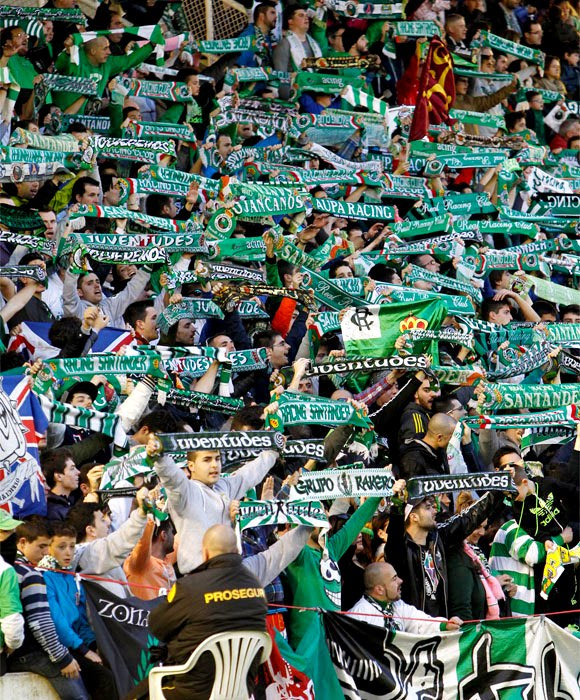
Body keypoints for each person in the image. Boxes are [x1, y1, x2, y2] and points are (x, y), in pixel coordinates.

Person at [148, 524, 268, 700]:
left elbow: (156, 626)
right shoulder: (256, 586)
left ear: (205, 553)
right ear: (236, 550)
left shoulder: (190, 587)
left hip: (191, 690)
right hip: (241, 690)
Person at [146, 429, 280, 573]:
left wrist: (273, 449)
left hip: (229, 571)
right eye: (207, 460)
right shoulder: (185, 492)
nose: (214, 465)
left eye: (217, 458)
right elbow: (172, 478)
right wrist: (160, 458)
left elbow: (249, 474)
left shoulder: (224, 485)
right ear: (191, 466)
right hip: (200, 575)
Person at [384, 480, 505, 618]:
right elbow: (394, 535)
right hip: (413, 627)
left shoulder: (438, 538)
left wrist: (500, 487)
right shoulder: (400, 549)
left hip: (442, 626)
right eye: (428, 507)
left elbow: (469, 518)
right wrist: (397, 506)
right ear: (413, 517)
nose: (434, 510)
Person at [9, 519, 87, 698]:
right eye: (41, 546)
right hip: (27, 653)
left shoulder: (8, 568)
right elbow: (40, 622)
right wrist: (63, 658)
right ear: (22, 543)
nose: (46, 553)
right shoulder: (30, 574)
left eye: (48, 546)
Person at [41, 522, 118, 699]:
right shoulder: (44, 576)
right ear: (48, 548)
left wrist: (93, 646)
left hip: (77, 644)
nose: (68, 552)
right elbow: (57, 622)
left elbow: (82, 620)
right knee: (104, 678)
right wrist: (84, 650)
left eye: (72, 546)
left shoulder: (72, 577)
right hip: (61, 648)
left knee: (111, 666)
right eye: (61, 547)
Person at [348, 561, 463, 632]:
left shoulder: (398, 606)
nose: (400, 581)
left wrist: (445, 625)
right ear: (379, 589)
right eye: (394, 579)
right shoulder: (357, 616)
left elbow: (420, 622)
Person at [0, 512, 25, 669]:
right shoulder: (5, 570)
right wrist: (12, 645)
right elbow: (11, 619)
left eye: (12, 532)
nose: (11, 537)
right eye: (5, 531)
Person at [398, 413, 457, 478]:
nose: (454, 441)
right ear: (439, 437)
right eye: (452, 437)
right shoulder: (412, 461)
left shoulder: (440, 451)